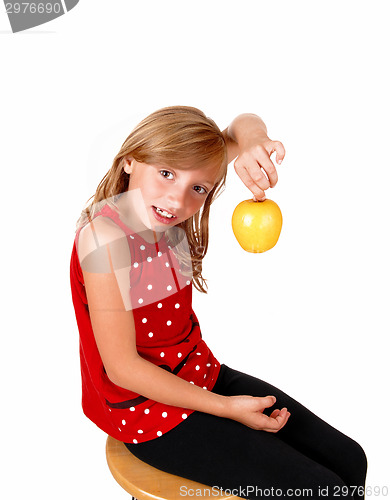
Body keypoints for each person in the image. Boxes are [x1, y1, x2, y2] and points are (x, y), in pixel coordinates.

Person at [70, 106, 367, 499]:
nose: (177, 199)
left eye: (199, 187)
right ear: (130, 160)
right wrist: (226, 408)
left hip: (198, 373)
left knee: (351, 462)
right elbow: (123, 369)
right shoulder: (105, 239)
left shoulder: (166, 205)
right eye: (166, 173)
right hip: (146, 410)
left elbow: (241, 124)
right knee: (322, 491)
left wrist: (254, 143)